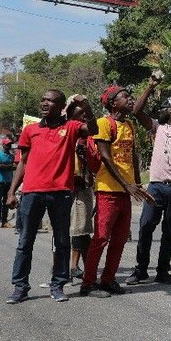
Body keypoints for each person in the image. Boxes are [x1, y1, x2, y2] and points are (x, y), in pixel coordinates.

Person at [4, 90, 98, 304]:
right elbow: (23, 162)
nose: (44, 103)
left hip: (61, 194)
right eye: (43, 99)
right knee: (25, 241)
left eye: (50, 100)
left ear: (61, 105)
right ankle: (20, 287)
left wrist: (87, 105)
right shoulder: (30, 130)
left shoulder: (71, 127)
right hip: (32, 192)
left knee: (62, 241)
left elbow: (93, 129)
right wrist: (11, 191)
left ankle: (58, 285)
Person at [81, 86, 155, 298]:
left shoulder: (130, 125)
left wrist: (138, 184)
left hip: (125, 191)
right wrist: (126, 185)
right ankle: (87, 283)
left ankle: (108, 279)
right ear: (113, 103)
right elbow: (105, 157)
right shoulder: (104, 124)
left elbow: (132, 156)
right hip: (108, 190)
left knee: (120, 238)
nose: (131, 100)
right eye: (125, 97)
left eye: (131, 96)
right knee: (101, 237)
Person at [126, 76, 171, 287]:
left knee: (169, 231)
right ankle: (141, 270)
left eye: (170, 106)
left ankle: (162, 271)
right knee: (146, 225)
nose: (167, 108)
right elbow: (137, 111)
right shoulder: (159, 128)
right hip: (156, 185)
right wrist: (149, 86)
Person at [66, 99, 96, 280]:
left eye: (85, 116)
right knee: (75, 229)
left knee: (83, 229)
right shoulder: (65, 134)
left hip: (83, 186)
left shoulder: (88, 138)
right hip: (68, 187)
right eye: (80, 116)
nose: (83, 120)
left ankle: (83, 270)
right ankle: (70, 268)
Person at [0, 138, 16, 228]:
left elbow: (15, 167)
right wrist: (10, 166)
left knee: (7, 202)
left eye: (10, 144)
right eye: (7, 144)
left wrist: (7, 166)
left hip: (8, 181)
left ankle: (4, 221)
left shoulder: (11, 156)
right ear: (3, 145)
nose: (9, 146)